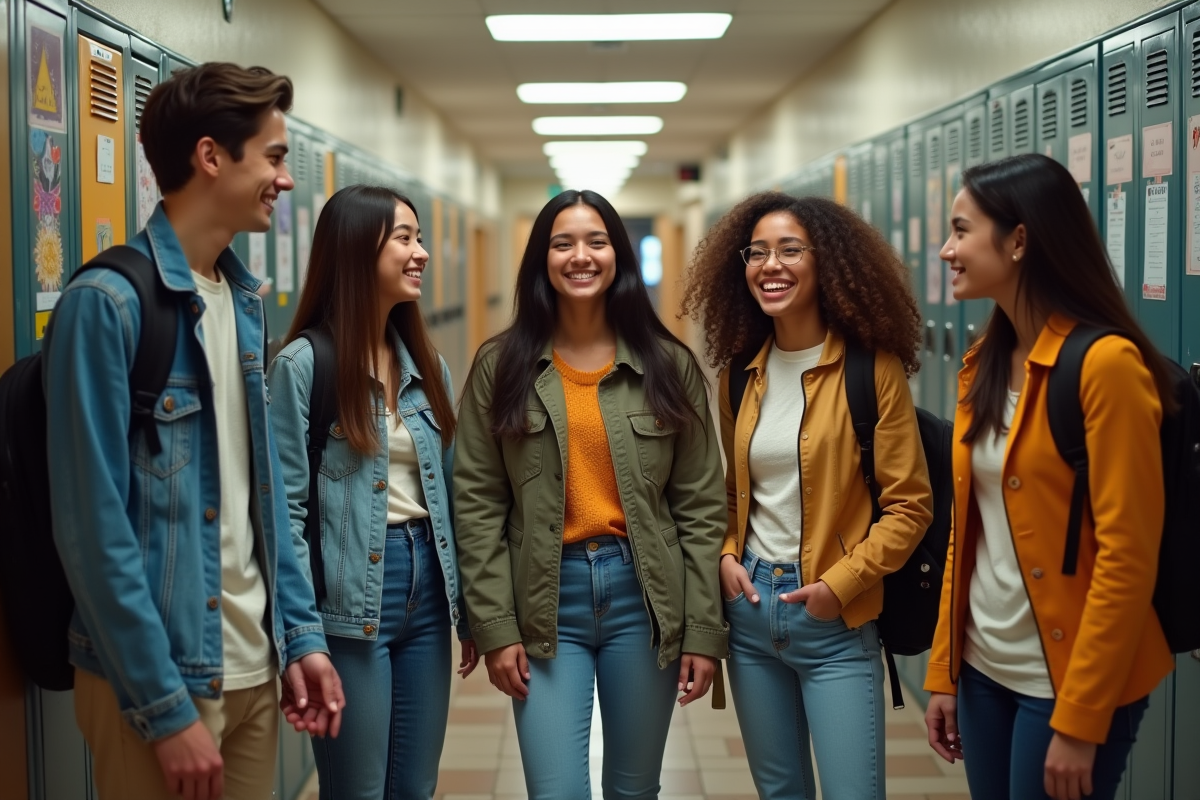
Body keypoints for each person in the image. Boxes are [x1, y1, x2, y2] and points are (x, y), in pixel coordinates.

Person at [43, 63, 343, 800]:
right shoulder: (105, 306)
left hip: (249, 667)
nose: (286, 178)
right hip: (165, 680)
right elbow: (93, 528)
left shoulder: (242, 301)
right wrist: (162, 707)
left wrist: (299, 637)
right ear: (212, 157)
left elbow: (262, 494)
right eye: (273, 158)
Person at [453, 189, 728, 800]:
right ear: (541, 260)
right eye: (563, 243)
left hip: (645, 598)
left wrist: (704, 632)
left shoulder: (667, 365)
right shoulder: (501, 366)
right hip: (545, 600)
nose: (581, 256)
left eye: (596, 241)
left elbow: (703, 507)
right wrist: (495, 626)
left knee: (634, 790)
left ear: (618, 256)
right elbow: (475, 502)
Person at [923, 154, 1176, 800]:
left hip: (1064, 681)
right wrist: (945, 671)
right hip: (984, 672)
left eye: (960, 230)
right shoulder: (982, 361)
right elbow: (966, 532)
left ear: (1018, 241)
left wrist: (1082, 717)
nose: (947, 250)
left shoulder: (1105, 366)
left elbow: (1128, 556)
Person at [681, 191, 934, 800]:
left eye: (791, 250)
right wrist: (723, 557)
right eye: (758, 252)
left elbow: (910, 504)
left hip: (835, 618)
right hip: (750, 612)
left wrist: (840, 585)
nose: (771, 265)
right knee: (780, 791)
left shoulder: (871, 370)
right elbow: (733, 493)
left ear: (829, 263)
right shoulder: (739, 374)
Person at [268, 185, 477, 799]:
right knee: (357, 788)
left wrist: (470, 608)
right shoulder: (304, 365)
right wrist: (301, 638)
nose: (423, 254)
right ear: (359, 250)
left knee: (414, 786)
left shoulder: (423, 363)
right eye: (405, 238)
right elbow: (285, 511)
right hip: (350, 601)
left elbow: (454, 491)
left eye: (420, 238)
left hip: (427, 591)